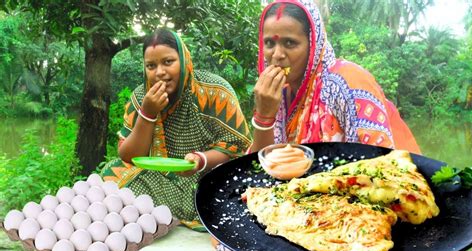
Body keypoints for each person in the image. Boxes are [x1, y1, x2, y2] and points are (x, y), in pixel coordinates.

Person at [100, 28, 251, 228]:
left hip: (206, 178)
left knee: (239, 185)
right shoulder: (141, 97)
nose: (160, 72)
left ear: (184, 60)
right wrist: (147, 114)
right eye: (151, 66)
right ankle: (152, 218)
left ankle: (160, 214)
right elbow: (128, 156)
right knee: (111, 173)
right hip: (161, 182)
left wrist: (200, 160)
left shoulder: (216, 92)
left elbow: (238, 148)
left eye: (168, 62)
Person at [249, 0, 421, 154]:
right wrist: (265, 116)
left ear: (313, 45)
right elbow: (257, 168)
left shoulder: (347, 83)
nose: (277, 55)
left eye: (289, 43)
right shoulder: (277, 95)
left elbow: (378, 162)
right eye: (270, 43)